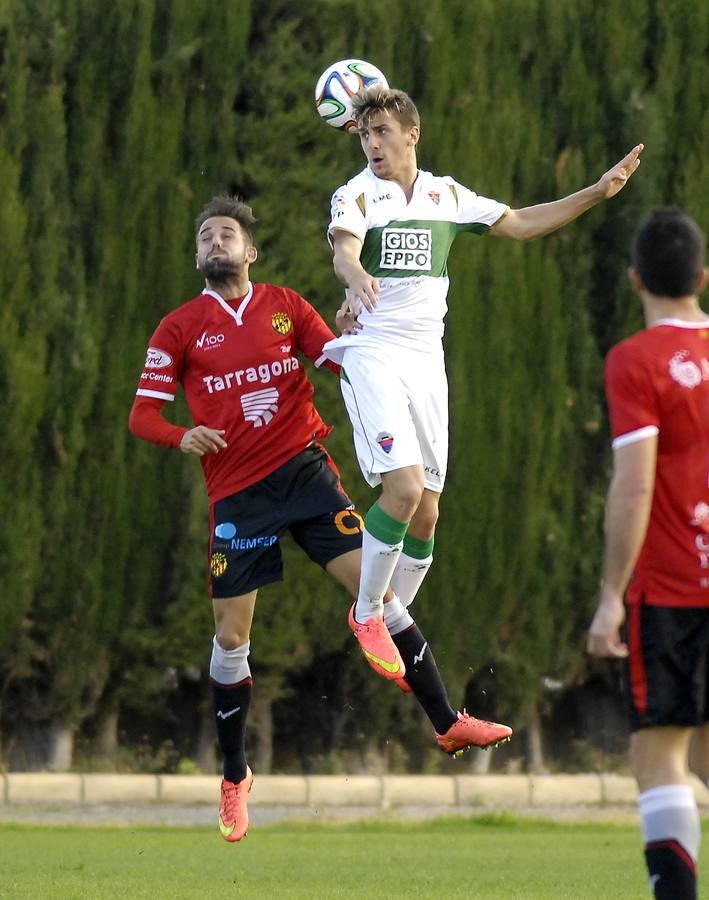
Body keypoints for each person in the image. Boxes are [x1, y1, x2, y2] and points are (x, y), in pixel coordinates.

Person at [128, 195, 512, 845]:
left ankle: (445, 721)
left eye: (227, 233)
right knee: (229, 639)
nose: (215, 241)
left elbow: (336, 360)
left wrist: (357, 339)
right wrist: (181, 436)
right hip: (237, 495)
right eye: (206, 236)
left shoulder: (284, 307)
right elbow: (143, 415)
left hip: (304, 475)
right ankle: (233, 775)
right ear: (199, 256)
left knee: (379, 591)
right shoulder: (179, 328)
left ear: (250, 252)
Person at [323, 83, 644, 684]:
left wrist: (598, 193)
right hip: (374, 356)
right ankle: (367, 613)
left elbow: (521, 224)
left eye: (382, 133)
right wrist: (357, 271)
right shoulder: (356, 196)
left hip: (426, 363)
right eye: (365, 135)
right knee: (405, 489)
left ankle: (394, 621)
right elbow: (343, 252)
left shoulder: (446, 195)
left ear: (412, 134)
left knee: (427, 517)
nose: (372, 144)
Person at [587, 208, 709, 900]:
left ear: (633, 278)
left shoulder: (634, 361)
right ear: (700, 277)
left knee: (657, 753)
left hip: (669, 591)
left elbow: (634, 484)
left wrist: (609, 597)